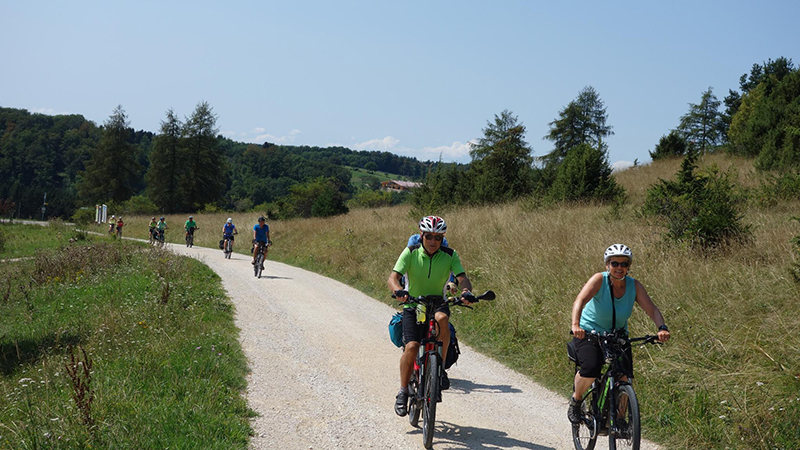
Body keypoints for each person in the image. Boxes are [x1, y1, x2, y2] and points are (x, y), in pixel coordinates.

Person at [567, 244, 671, 424]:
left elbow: (652, 309)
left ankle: (620, 419)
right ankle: (576, 401)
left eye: (624, 264)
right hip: (590, 332)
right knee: (591, 369)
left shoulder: (634, 285)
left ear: (629, 266)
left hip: (618, 335)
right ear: (607, 265)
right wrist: (576, 325)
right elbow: (580, 300)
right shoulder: (599, 280)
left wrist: (662, 327)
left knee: (624, 376)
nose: (619, 267)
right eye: (614, 263)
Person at [388, 215, 474, 417]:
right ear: (421, 235)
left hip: (438, 303)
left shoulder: (450, 255)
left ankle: (440, 370)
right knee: (411, 346)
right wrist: (398, 290)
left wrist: (466, 292)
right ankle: (403, 391)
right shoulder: (411, 252)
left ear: (442, 238)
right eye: (429, 236)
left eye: (438, 237)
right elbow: (393, 277)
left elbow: (462, 278)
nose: (433, 241)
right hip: (414, 304)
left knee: (442, 319)